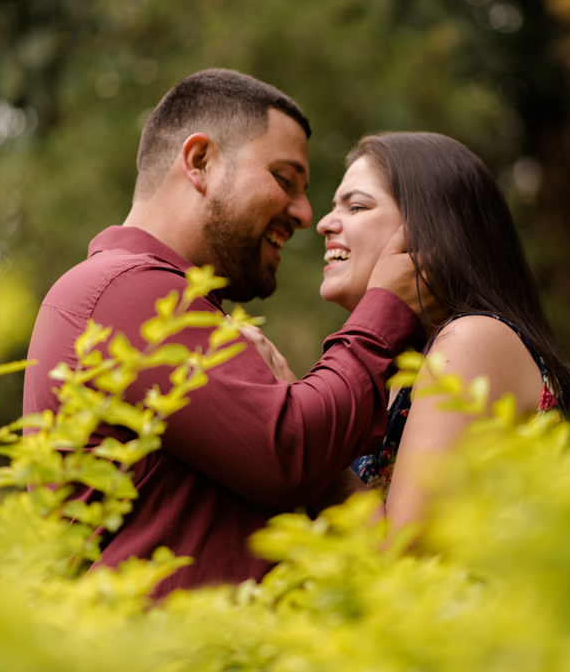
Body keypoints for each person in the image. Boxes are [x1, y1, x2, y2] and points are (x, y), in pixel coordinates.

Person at [22, 70, 433, 594]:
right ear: (200, 162)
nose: (306, 214)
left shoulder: (141, 296)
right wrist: (386, 310)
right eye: (286, 180)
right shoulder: (130, 292)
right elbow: (288, 450)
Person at [313, 131, 570, 532]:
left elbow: (404, 552)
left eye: (356, 206)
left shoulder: (473, 339)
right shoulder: (406, 369)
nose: (324, 223)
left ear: (426, 233)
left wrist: (309, 444)